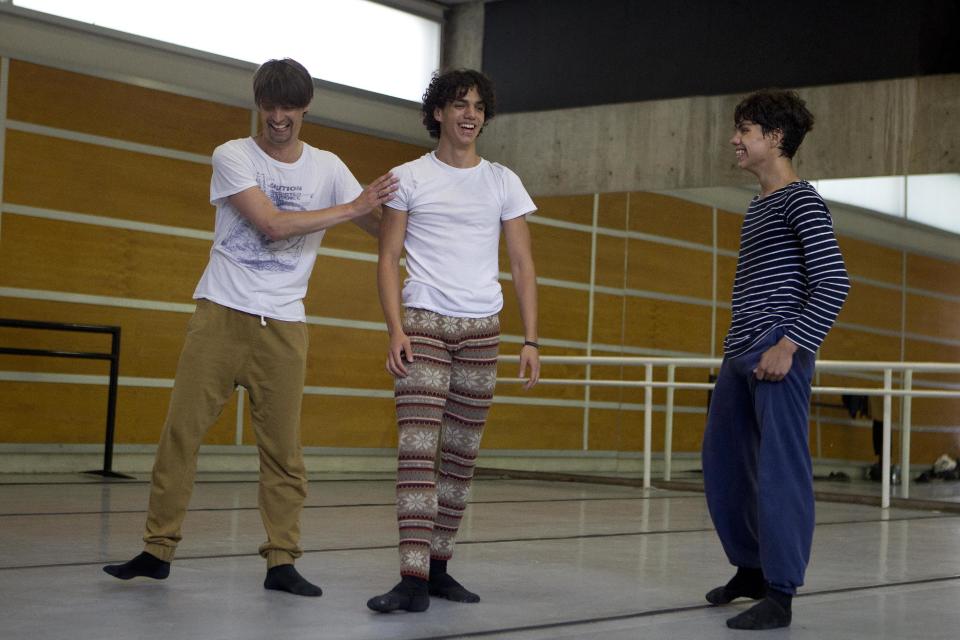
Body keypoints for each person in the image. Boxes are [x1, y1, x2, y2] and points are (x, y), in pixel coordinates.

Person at [103, 58, 398, 597]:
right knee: (180, 436)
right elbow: (271, 224)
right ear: (258, 104)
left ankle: (282, 561)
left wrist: (420, 222)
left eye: (288, 106)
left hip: (284, 326)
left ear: (306, 107)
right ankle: (157, 549)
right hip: (220, 314)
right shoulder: (232, 154)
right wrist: (351, 205)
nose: (278, 116)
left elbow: (378, 226)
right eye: (269, 105)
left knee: (284, 451)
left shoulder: (328, 166)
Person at [366, 69, 540, 613]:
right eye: (459, 104)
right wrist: (395, 329)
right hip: (423, 324)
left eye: (479, 107)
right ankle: (411, 579)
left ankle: (439, 569)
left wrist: (531, 339)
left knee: (461, 457)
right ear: (437, 113)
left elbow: (521, 262)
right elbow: (388, 257)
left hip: (482, 331)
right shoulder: (407, 177)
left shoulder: (503, 181)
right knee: (418, 451)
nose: (470, 114)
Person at [701, 89, 851, 630]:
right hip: (740, 353)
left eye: (745, 130)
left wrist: (791, 345)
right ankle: (753, 567)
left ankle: (782, 592)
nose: (734, 140)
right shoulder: (761, 203)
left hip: (779, 350)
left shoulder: (800, 199)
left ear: (775, 138)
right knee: (724, 466)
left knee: (781, 471)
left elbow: (834, 282)